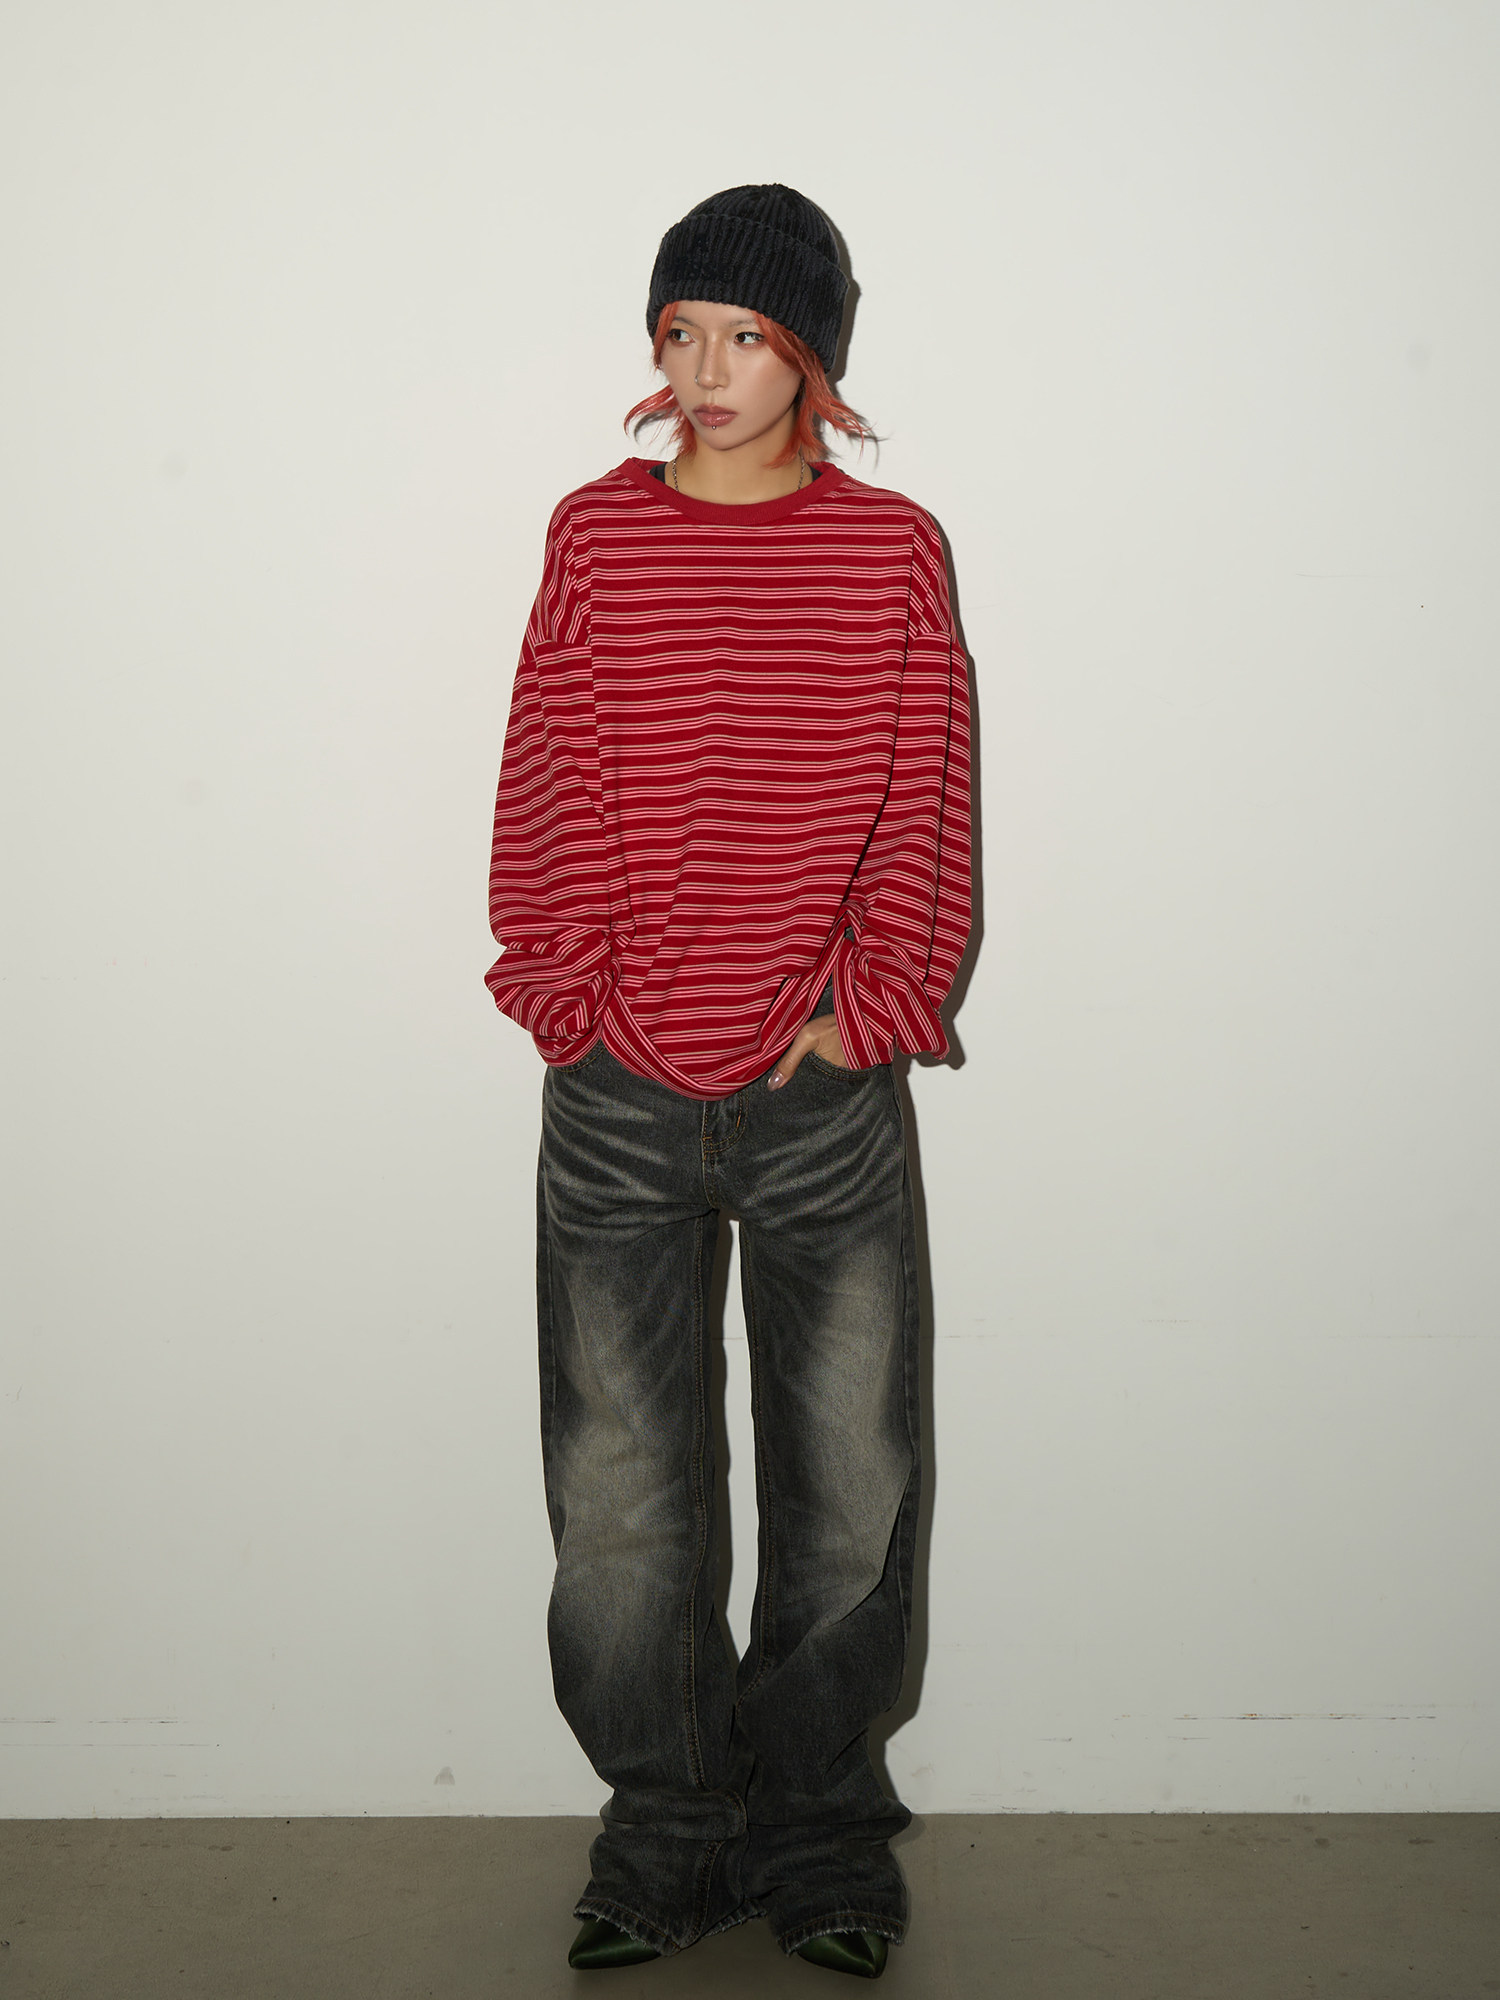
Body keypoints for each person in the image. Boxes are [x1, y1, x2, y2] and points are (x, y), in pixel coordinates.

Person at [484, 184, 971, 1980]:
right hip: (617, 1091)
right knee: (620, 1503)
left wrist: (874, 1005)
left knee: (848, 1488)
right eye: (678, 332)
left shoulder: (892, 553)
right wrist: (566, 996)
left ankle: (821, 1831)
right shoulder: (595, 540)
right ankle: (665, 1826)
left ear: (811, 359)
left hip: (819, 1093)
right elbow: (544, 764)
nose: (704, 370)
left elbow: (927, 791)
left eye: (745, 337)